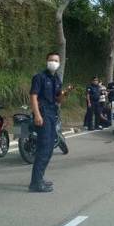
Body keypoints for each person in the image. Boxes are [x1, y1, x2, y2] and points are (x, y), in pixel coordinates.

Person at [29, 52, 71, 193]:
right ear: (46, 61)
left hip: (53, 113)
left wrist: (64, 94)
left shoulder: (57, 79)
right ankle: (35, 183)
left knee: (50, 148)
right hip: (43, 113)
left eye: (56, 60)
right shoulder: (39, 77)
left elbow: (58, 99)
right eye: (51, 60)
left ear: (59, 63)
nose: (53, 62)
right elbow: (33, 96)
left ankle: (39, 179)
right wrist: (37, 114)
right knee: (44, 148)